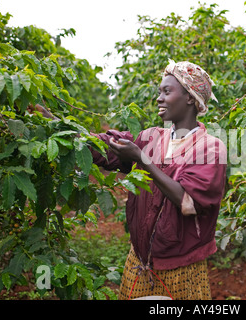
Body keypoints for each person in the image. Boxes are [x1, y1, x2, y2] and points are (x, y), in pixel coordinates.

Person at [89, 60, 227, 300]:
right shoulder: (150, 137)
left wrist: (142, 159)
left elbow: (189, 203)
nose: (159, 98)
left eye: (167, 91)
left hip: (182, 268)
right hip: (139, 261)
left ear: (190, 98)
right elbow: (106, 147)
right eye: (159, 92)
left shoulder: (210, 148)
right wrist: (62, 129)